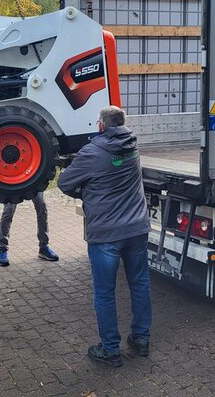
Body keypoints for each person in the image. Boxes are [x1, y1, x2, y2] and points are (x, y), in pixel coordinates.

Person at [58, 105, 151, 367]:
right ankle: (141, 339)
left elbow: (64, 183)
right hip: (137, 229)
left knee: (105, 292)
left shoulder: (91, 152)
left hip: (106, 234)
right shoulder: (133, 146)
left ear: (101, 126)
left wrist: (86, 194)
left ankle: (110, 349)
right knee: (140, 284)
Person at [0, 192, 59, 266]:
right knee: (8, 211)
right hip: (14, 183)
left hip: (33, 183)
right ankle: (2, 249)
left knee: (42, 207)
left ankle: (44, 248)